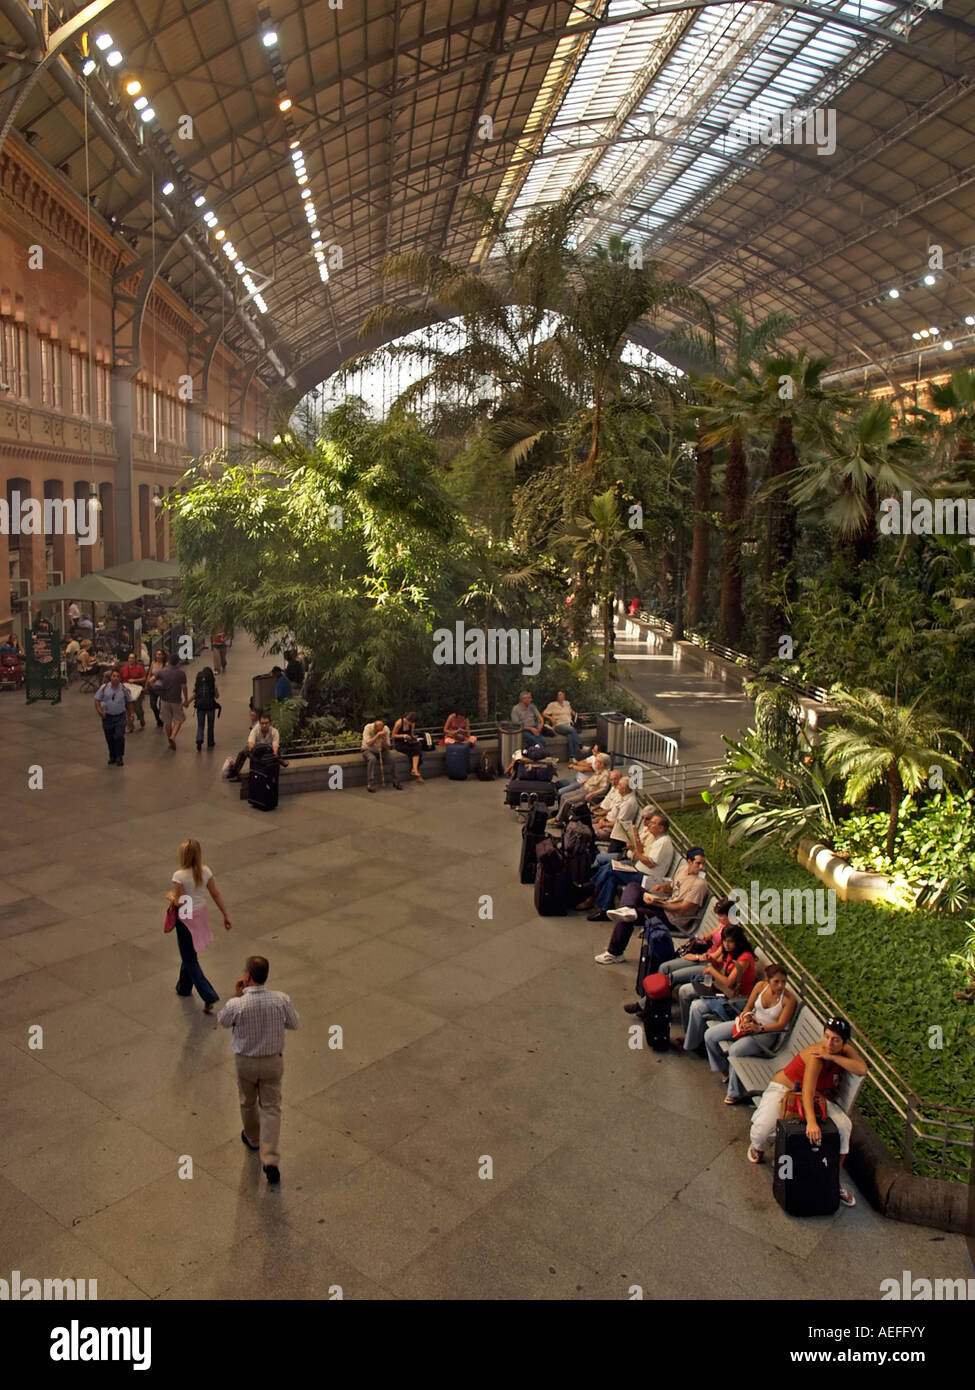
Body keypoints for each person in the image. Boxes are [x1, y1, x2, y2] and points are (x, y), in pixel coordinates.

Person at [747, 1017, 867, 1207]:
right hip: (786, 1089)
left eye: (835, 1040)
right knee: (762, 1133)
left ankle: (833, 1179)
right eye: (826, 1037)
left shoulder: (842, 1051)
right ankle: (758, 1147)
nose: (829, 1044)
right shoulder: (816, 1056)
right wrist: (811, 1122)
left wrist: (834, 1058)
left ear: (844, 1042)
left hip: (817, 1096)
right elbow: (807, 1091)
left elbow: (862, 1068)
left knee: (845, 1126)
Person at [218, 955, 299, 1186]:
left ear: (247, 976)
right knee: (272, 1107)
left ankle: (253, 1139)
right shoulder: (281, 1000)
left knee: (247, 1101)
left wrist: (237, 995)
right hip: (273, 1062)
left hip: (246, 1062)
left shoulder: (238, 1004)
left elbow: (222, 1021)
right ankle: (270, 1158)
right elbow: (294, 1023)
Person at [622, 898, 735, 1015]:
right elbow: (709, 935)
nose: (718, 918)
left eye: (721, 915)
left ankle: (645, 1006)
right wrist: (700, 940)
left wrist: (695, 956)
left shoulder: (731, 933)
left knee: (672, 977)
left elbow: (716, 957)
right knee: (664, 967)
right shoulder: (723, 924)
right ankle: (652, 1003)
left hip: (709, 965)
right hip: (702, 956)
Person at [707, 964, 798, 1103]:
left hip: (766, 1033)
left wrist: (759, 1029)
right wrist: (746, 1018)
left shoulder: (789, 1000)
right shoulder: (760, 987)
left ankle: (735, 1092)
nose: (780, 986)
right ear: (768, 980)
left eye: (784, 982)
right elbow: (748, 1007)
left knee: (735, 1050)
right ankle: (723, 1069)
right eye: (776, 982)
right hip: (751, 1023)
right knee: (710, 1035)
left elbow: (780, 1024)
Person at [168, 837, 232, 1014]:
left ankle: (208, 995)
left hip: (186, 917)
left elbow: (182, 902)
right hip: (200, 914)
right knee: (189, 952)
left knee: (189, 958)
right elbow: (215, 894)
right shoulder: (205, 871)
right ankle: (183, 987)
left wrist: (171, 898)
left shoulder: (179, 876)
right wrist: (225, 915)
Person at [674, 921, 756, 1051]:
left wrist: (711, 971)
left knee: (697, 1006)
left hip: (735, 997)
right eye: (724, 941)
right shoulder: (730, 951)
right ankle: (690, 1033)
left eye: (730, 942)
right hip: (720, 988)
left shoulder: (744, 958)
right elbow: (721, 964)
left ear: (738, 942)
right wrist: (711, 961)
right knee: (684, 991)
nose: (726, 945)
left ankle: (691, 1044)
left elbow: (729, 982)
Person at [94, 668, 133, 766]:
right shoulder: (104, 688)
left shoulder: (124, 689)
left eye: (117, 676)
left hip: (120, 716)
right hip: (107, 717)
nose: (115, 678)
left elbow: (129, 702)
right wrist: (100, 711)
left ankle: (119, 756)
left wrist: (131, 714)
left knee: (119, 736)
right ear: (110, 677)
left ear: (120, 678)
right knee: (109, 737)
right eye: (113, 676)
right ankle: (112, 755)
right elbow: (97, 700)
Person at [227, 713, 283, 780]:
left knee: (278, 754)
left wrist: (272, 756)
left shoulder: (275, 732)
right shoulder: (255, 730)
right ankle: (235, 772)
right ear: (259, 723)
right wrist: (255, 752)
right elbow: (250, 744)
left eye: (266, 723)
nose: (264, 725)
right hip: (256, 752)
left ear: (270, 723)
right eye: (262, 723)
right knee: (243, 751)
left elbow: (275, 748)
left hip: (268, 753)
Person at [151, 652, 189, 750]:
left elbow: (152, 680)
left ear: (168, 661)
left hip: (164, 699)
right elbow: (184, 687)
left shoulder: (162, 672)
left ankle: (169, 739)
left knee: (167, 721)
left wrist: (155, 688)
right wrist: (186, 699)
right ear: (177, 662)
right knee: (179, 719)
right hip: (176, 699)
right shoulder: (181, 673)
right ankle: (172, 736)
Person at [361, 716, 401, 791]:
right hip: (368, 749)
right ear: (375, 728)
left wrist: (384, 739)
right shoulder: (368, 728)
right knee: (372, 759)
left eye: (381, 730)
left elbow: (387, 746)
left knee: (393, 759)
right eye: (378, 730)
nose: (380, 731)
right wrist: (377, 736)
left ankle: (396, 781)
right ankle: (370, 783)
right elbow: (368, 743)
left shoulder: (386, 729)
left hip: (382, 750)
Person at [542, 690, 581, 757]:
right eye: (560, 695)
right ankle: (581, 746)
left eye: (563, 695)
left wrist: (578, 716)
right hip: (559, 725)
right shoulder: (552, 705)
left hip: (568, 724)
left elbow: (572, 712)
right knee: (572, 730)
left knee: (570, 735)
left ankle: (572, 757)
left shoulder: (567, 703)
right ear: (556, 697)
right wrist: (551, 718)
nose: (562, 696)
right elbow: (544, 713)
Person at [193, 665, 220, 751]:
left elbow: (195, 694)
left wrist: (187, 702)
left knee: (200, 725)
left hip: (200, 706)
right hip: (210, 706)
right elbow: (217, 696)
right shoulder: (212, 682)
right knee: (210, 725)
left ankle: (199, 738)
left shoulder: (199, 681)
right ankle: (210, 742)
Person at [392, 710, 424, 781]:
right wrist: (404, 735)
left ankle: (414, 769)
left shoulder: (412, 724)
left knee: (418, 745)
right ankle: (415, 770)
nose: (409, 723)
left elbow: (411, 734)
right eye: (408, 721)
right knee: (415, 751)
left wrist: (413, 738)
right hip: (399, 742)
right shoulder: (399, 723)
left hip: (408, 741)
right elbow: (393, 735)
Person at [119, 651, 147, 730]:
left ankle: (141, 717)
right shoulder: (123, 668)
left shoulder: (139, 668)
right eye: (129, 658)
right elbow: (120, 678)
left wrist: (135, 680)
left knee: (137, 707)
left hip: (137, 689)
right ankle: (130, 725)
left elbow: (144, 678)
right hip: (126, 689)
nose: (131, 660)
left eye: (132, 658)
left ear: (135, 659)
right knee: (128, 707)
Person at [147, 649, 166, 727]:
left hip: (162, 687)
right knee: (153, 705)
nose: (158, 656)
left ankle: (161, 719)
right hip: (153, 687)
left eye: (160, 654)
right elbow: (149, 674)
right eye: (157, 654)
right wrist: (147, 684)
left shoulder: (165, 665)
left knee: (162, 706)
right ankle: (158, 718)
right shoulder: (153, 663)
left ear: (163, 656)